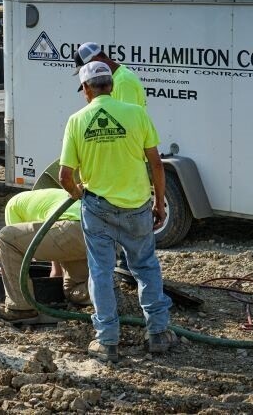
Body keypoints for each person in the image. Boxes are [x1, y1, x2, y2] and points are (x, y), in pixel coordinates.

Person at [59, 61, 176, 363]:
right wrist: (159, 203)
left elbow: (64, 176)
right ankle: (158, 334)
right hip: (137, 207)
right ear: (110, 85)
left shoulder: (77, 120)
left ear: (86, 89)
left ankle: (108, 341)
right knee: (146, 267)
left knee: (100, 271)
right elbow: (156, 164)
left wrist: (78, 194)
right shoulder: (137, 115)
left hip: (97, 207)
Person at [74, 41, 148, 272]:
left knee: (122, 223)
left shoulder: (122, 82)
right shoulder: (123, 75)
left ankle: (129, 269)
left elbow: (122, 126)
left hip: (123, 163)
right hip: (127, 162)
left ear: (99, 61)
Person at [0, 188, 90, 324]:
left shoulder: (13, 205)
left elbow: (19, 250)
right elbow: (53, 248)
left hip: (70, 227)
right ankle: (109, 293)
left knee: (5, 237)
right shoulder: (49, 199)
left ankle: (20, 309)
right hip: (93, 233)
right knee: (73, 290)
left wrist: (8, 269)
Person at [74, 41, 145, 107]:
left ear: (96, 59)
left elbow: (128, 118)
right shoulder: (118, 77)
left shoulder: (122, 81)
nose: (86, 72)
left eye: (87, 67)